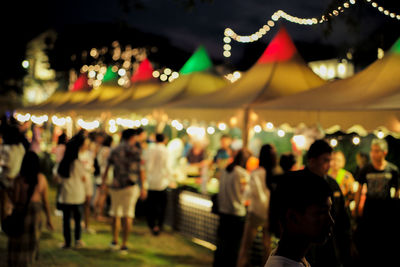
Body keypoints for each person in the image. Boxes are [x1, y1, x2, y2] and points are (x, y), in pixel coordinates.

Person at [301, 139, 354, 267]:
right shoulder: (299, 184)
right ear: (312, 160)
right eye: (325, 160)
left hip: (331, 249)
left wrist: (348, 244)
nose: (329, 165)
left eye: (330, 160)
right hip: (305, 250)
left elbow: (342, 218)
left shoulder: (332, 184)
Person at [265, 171, 334, 267]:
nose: (331, 221)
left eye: (329, 211)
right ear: (293, 217)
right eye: (321, 213)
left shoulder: (296, 259)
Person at [354, 138, 400, 266]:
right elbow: (359, 190)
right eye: (372, 151)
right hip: (370, 209)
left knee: (384, 241)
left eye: (377, 151)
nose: (373, 154)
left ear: (384, 152)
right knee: (369, 241)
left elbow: (397, 191)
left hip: (386, 210)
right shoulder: (366, 169)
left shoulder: (392, 170)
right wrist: (357, 208)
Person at [101, 128, 147, 254]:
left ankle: (115, 240)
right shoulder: (137, 151)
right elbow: (141, 170)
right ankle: (124, 244)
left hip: (116, 185)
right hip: (131, 186)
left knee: (115, 214)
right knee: (128, 215)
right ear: (133, 137)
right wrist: (143, 187)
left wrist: (104, 182)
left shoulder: (115, 149)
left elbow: (107, 167)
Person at [7, 151, 54, 267]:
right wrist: (49, 219)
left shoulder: (19, 179)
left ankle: (16, 261)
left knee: (18, 240)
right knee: (31, 242)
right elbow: (46, 202)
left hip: (21, 212)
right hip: (35, 213)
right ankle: (28, 261)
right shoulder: (41, 179)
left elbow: (15, 200)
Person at [237, 144, 275, 267]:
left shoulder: (256, 173)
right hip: (269, 213)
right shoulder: (274, 173)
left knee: (245, 246)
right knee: (267, 247)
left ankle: (241, 264)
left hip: (256, 212)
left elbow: (253, 192)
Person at [213, 148, 252, 267]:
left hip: (224, 212)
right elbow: (247, 194)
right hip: (236, 214)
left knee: (222, 243)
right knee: (234, 246)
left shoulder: (225, 170)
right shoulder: (242, 173)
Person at [57, 131, 87, 249]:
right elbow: (83, 177)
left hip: (66, 195)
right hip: (77, 194)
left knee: (66, 220)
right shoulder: (77, 163)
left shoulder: (64, 163)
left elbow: (57, 177)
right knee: (78, 219)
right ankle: (77, 240)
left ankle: (67, 241)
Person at [143, 133, 175, 235]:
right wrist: (171, 179)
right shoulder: (166, 151)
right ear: (164, 140)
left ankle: (151, 224)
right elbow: (168, 167)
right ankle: (159, 226)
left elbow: (146, 165)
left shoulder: (150, 149)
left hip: (151, 181)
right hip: (162, 183)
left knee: (151, 206)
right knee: (161, 206)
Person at [93, 133, 113, 221]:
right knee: (103, 195)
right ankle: (99, 213)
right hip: (105, 174)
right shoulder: (108, 150)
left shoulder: (101, 149)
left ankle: (95, 212)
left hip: (99, 173)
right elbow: (108, 164)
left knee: (98, 194)